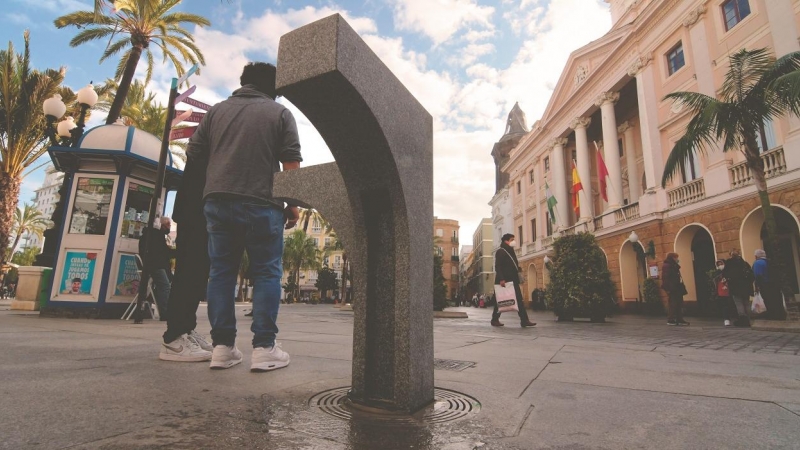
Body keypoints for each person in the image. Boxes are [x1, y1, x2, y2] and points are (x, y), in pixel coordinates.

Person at [187, 62, 301, 372]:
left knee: (221, 272)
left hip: (218, 200)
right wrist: (292, 206)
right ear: (273, 88)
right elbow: (290, 164)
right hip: (262, 203)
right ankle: (264, 349)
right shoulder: (279, 114)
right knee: (266, 272)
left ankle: (222, 348)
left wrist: (221, 168)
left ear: (243, 82)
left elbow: (194, 152)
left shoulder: (217, 111)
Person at [159, 154, 215, 362]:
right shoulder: (208, 136)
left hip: (200, 211)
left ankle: (186, 329)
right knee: (188, 274)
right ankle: (173, 338)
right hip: (194, 211)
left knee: (197, 275)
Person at [491, 233, 536, 328]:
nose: (513, 241)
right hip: (504, 280)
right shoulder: (501, 251)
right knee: (499, 300)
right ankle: (494, 319)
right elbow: (498, 266)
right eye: (512, 239)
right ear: (506, 241)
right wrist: (502, 279)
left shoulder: (510, 251)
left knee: (519, 300)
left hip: (513, 279)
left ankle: (524, 320)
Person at [138, 216, 175, 319]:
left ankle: (153, 299)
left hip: (153, 265)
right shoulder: (156, 236)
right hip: (155, 266)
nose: (169, 227)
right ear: (161, 225)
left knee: (166, 284)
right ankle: (165, 312)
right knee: (165, 286)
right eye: (168, 225)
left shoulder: (151, 235)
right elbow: (164, 253)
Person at [753, 249, 787, 321]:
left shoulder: (758, 263)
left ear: (756, 256)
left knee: (768, 300)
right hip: (775, 284)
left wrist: (758, 286)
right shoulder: (770, 261)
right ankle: (781, 314)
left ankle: (773, 315)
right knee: (777, 299)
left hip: (766, 284)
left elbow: (758, 275)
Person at [723, 249, 754, 327]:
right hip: (746, 287)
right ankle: (749, 320)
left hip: (735, 287)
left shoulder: (729, 263)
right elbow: (751, 275)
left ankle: (743, 320)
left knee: (739, 303)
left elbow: (725, 273)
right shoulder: (744, 263)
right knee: (746, 303)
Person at [661, 252, 689, 326]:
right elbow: (665, 278)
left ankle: (679, 319)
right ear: (672, 258)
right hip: (673, 288)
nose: (677, 259)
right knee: (673, 303)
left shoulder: (673, 265)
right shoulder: (667, 266)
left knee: (679, 303)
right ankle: (671, 319)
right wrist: (668, 289)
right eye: (676, 257)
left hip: (677, 287)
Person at [712, 259, 733, 326]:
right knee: (725, 306)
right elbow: (714, 281)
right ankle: (726, 319)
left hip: (729, 290)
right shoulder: (717, 273)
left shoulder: (728, 271)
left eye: (721, 264)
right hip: (721, 291)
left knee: (730, 305)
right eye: (718, 264)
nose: (720, 265)